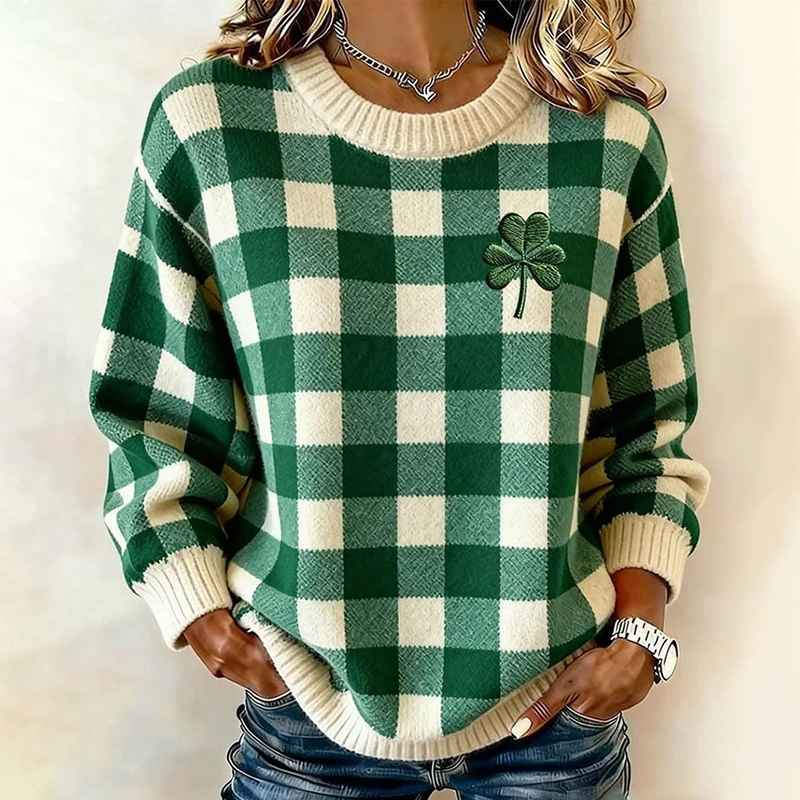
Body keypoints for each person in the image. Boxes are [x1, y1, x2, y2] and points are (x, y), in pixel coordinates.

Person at [87, 1, 711, 797]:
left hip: (555, 712)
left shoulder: (604, 137)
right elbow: (153, 414)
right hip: (306, 702)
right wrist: (197, 611)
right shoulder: (212, 126)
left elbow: (647, 429)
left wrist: (640, 636)